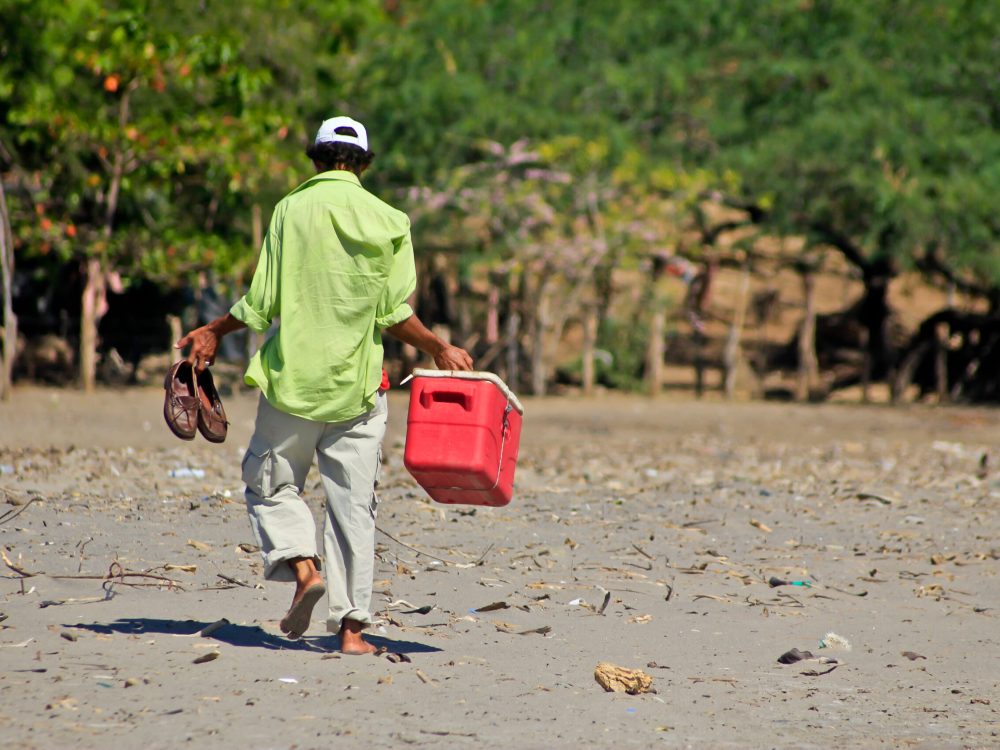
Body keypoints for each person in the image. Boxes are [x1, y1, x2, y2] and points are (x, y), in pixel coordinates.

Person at [176, 116, 473, 654]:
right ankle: (352, 633)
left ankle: (304, 569)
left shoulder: (289, 209)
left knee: (269, 484)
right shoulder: (391, 220)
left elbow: (262, 303)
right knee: (352, 507)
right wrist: (438, 347)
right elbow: (392, 313)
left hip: (294, 382)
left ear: (315, 159)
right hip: (361, 389)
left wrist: (214, 330)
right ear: (363, 164)